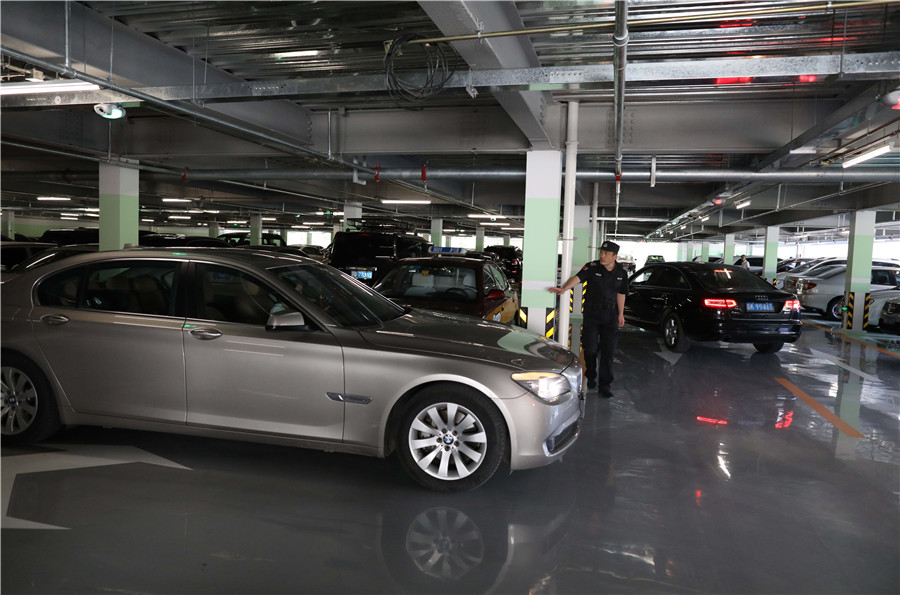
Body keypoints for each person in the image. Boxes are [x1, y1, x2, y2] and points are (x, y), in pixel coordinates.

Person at [549, 240, 628, 399]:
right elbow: (577, 278)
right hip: (592, 315)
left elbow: (621, 293)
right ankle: (591, 374)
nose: (602, 255)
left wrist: (621, 314)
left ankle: (605, 385)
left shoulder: (621, 272)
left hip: (611, 316)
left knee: (608, 353)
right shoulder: (592, 267)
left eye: (606, 253)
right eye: (601, 252)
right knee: (590, 349)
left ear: (614, 256)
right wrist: (564, 289)